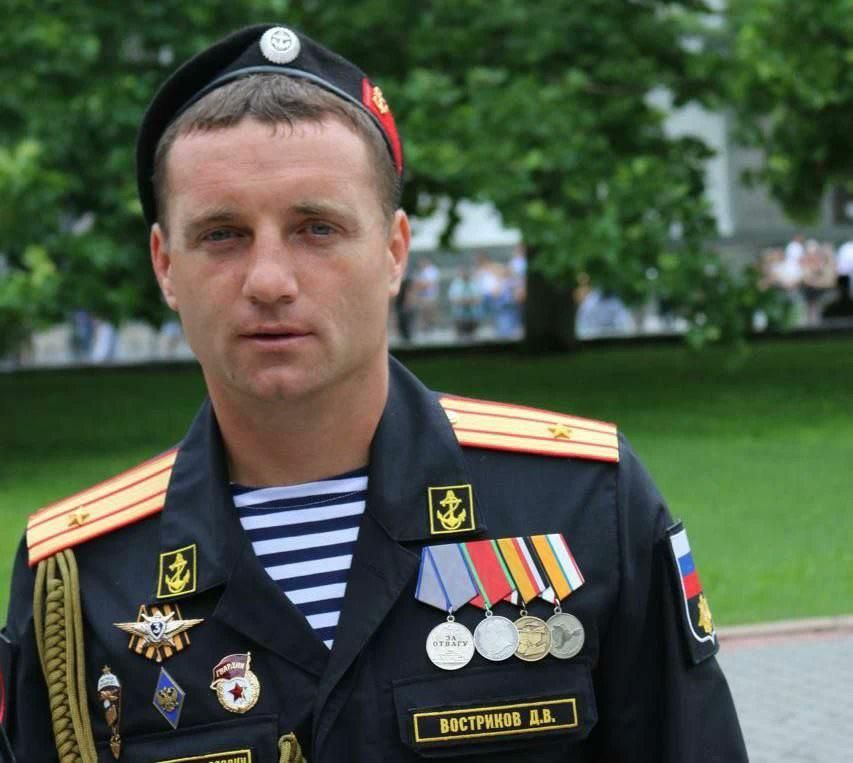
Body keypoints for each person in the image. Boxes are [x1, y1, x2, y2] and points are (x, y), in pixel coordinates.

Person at [1, 24, 747, 763]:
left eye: (316, 228)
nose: (269, 281)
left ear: (393, 251)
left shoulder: (584, 504)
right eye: (222, 234)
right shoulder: (80, 581)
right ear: (166, 265)